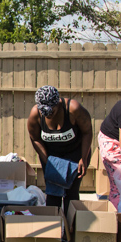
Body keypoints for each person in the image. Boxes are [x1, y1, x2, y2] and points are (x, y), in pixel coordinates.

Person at [27, 86, 93, 217]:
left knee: (71, 194)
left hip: (76, 154)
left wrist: (83, 159)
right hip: (51, 155)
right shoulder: (35, 114)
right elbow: (35, 139)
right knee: (53, 195)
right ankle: (54, 230)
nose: (49, 114)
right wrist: (48, 162)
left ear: (58, 103)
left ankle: (72, 230)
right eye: (45, 112)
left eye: (52, 111)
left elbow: (87, 132)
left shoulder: (73, 109)